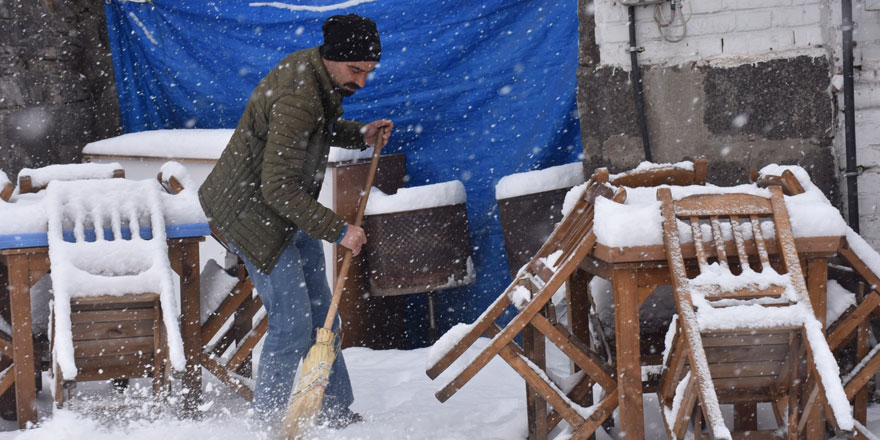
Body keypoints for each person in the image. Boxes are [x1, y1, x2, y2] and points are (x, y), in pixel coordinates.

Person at [198, 14, 393, 428]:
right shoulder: (298, 93)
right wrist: (341, 230)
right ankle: (268, 426)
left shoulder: (314, 73)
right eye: (356, 70)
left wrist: (359, 134)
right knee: (292, 324)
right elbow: (278, 188)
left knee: (323, 316)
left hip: (286, 208)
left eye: (369, 71)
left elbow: (313, 129)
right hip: (252, 213)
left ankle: (336, 412)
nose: (362, 82)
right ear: (332, 57)